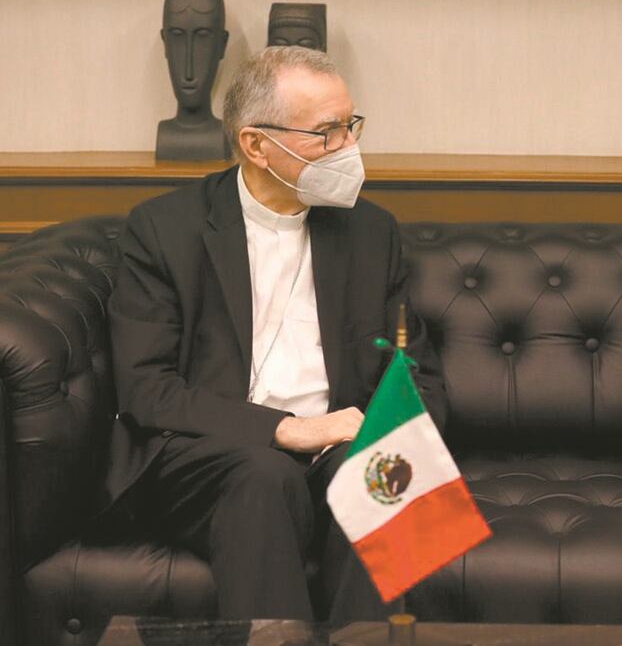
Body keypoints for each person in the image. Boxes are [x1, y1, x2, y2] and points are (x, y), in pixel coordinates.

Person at [106, 46, 446, 623]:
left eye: (351, 125)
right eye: (326, 132)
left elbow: (418, 375)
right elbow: (147, 390)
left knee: (383, 472)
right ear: (256, 145)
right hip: (213, 455)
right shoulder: (164, 230)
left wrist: (385, 436)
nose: (349, 148)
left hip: (339, 446)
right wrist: (285, 430)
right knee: (263, 477)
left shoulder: (372, 232)